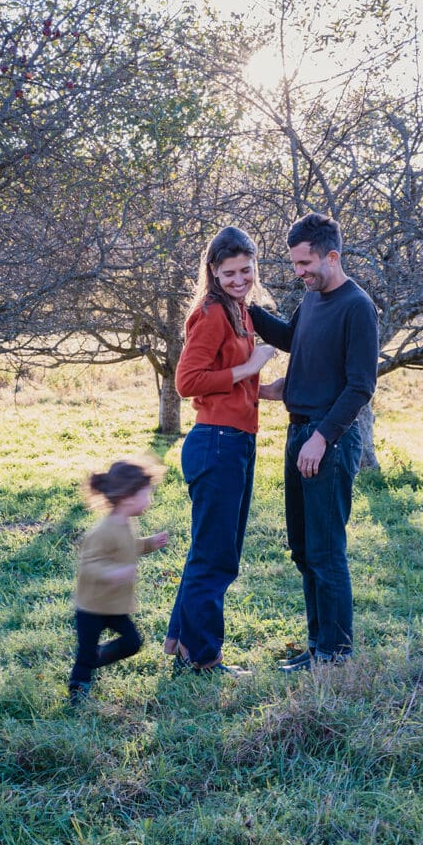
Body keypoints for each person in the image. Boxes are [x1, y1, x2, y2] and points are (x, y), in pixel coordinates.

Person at [251, 213, 378, 671]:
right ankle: (317, 647)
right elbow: (292, 339)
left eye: (305, 263)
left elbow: (361, 386)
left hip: (329, 440)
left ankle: (336, 654)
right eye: (294, 264)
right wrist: (243, 306)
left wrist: (322, 438)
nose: (299, 272)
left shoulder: (356, 306)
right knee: (304, 550)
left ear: (332, 256)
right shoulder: (311, 301)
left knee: (326, 551)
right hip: (297, 432)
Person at [163, 226, 275, 675]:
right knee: (215, 557)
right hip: (216, 445)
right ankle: (204, 658)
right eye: (229, 272)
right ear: (213, 271)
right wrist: (249, 367)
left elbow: (226, 378)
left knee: (212, 552)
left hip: (235, 441)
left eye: (246, 270)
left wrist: (264, 389)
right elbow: (187, 382)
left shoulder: (240, 311)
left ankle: (183, 645)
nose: (239, 279)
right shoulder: (211, 314)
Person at [68, 458, 168, 705]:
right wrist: (113, 574)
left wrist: (147, 544)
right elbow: (89, 564)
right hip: (91, 607)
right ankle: (77, 691)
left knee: (132, 642)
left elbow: (124, 548)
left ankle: (95, 659)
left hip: (113, 606)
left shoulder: (125, 523)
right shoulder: (102, 530)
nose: (150, 500)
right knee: (85, 652)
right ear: (128, 497)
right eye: (147, 494)